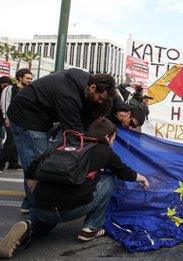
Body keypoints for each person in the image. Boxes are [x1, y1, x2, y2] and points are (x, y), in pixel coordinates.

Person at [0, 118, 150, 259]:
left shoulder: (64, 142)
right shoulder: (104, 150)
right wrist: (141, 178)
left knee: (46, 220)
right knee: (108, 179)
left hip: (41, 205)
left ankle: (29, 225)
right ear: (107, 136)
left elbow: (32, 168)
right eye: (114, 138)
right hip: (72, 208)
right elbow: (124, 172)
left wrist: (34, 190)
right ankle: (91, 228)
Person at [7, 68, 116, 214]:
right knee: (40, 165)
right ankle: (39, 211)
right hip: (27, 118)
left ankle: (31, 203)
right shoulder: (68, 96)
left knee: (44, 160)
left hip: (43, 119)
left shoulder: (90, 82)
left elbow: (85, 122)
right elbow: (74, 134)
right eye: (100, 98)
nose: (101, 101)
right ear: (92, 88)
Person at [0, 69, 33, 173]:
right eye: (27, 78)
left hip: (23, 120)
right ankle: (1, 163)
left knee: (18, 142)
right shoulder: (10, 88)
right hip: (11, 119)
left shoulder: (29, 90)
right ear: (20, 78)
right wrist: (6, 117)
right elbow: (5, 102)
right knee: (11, 141)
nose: (30, 80)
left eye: (31, 79)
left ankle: (13, 163)